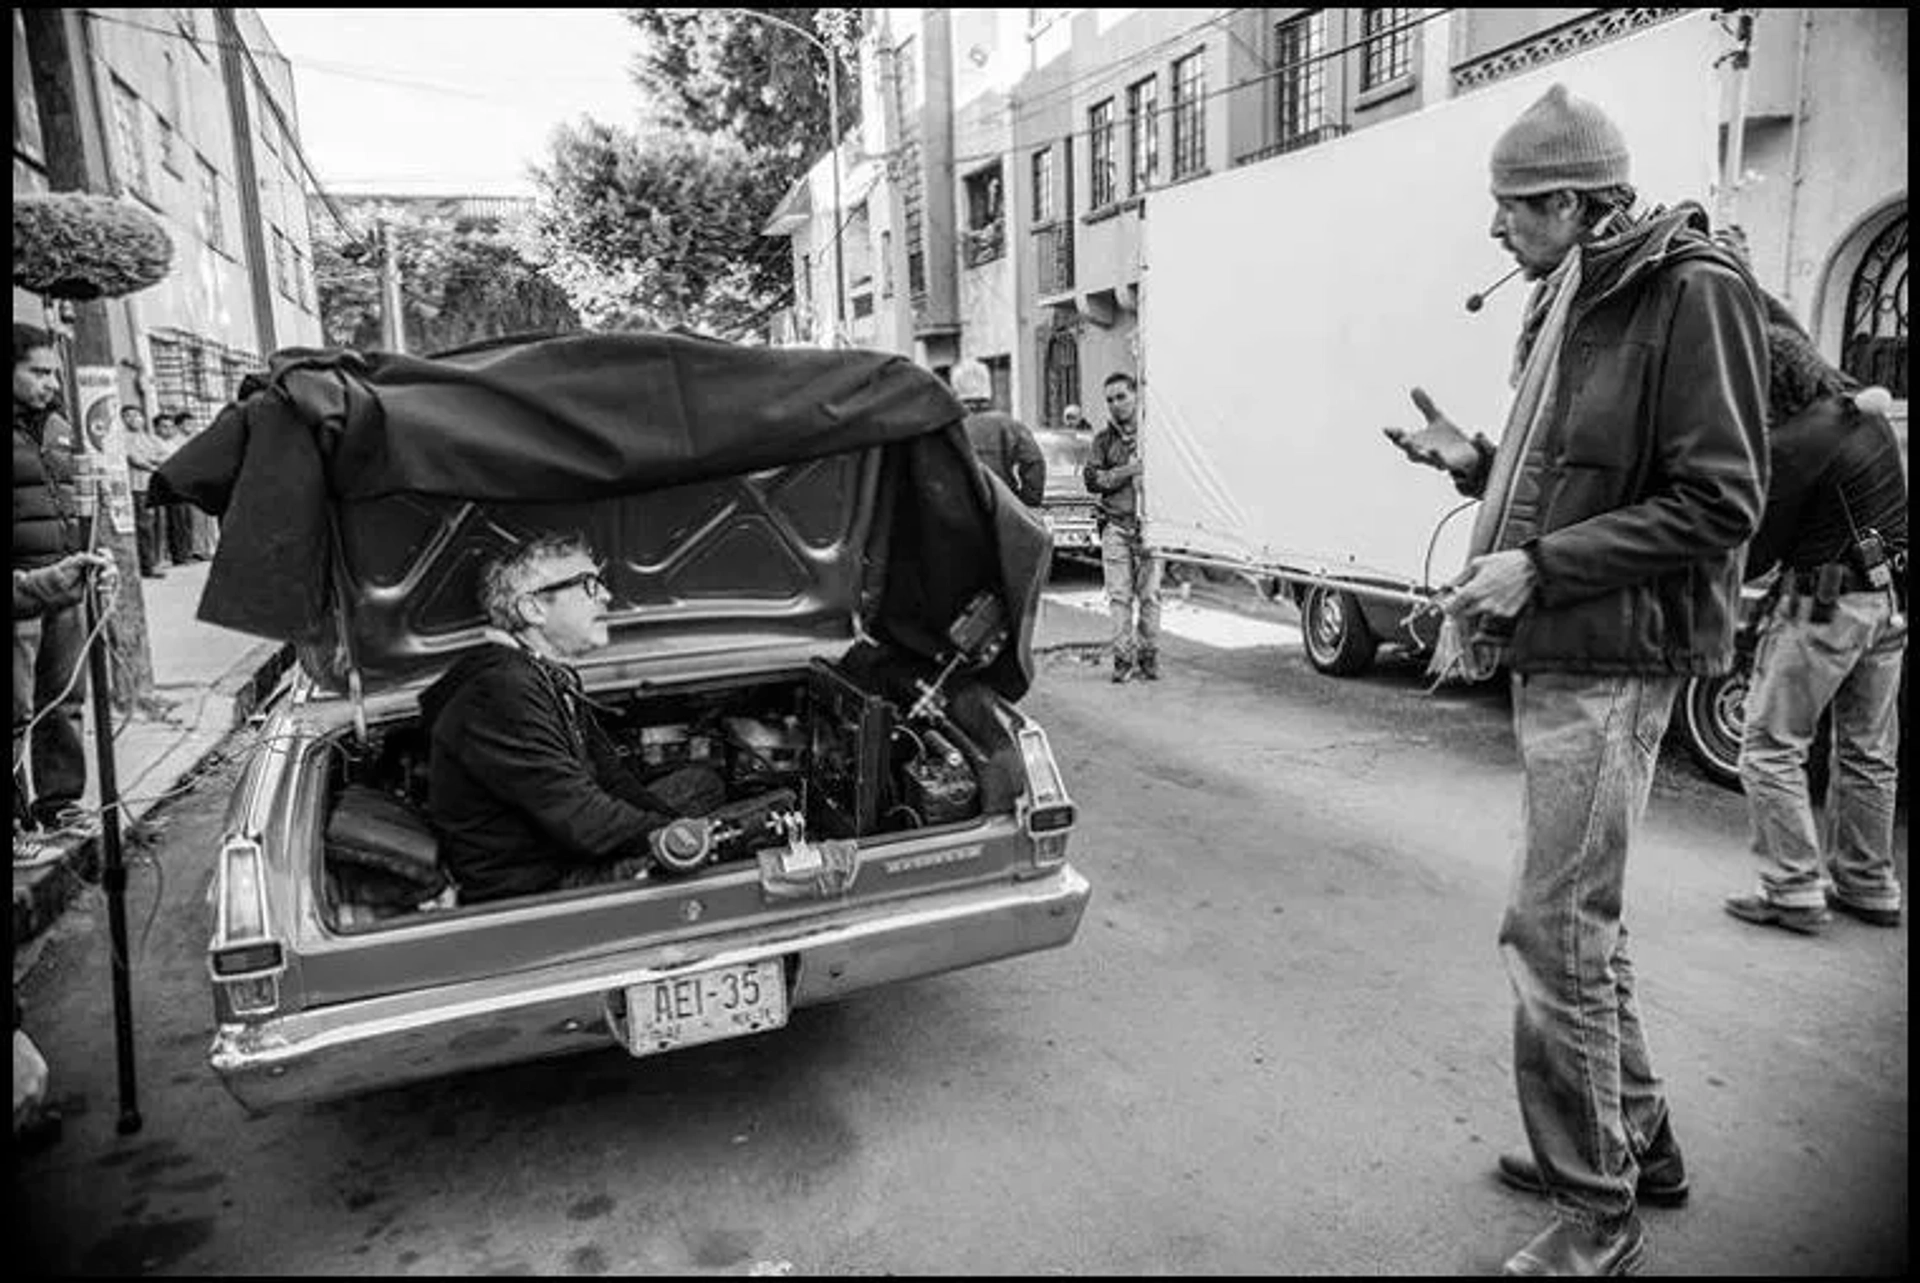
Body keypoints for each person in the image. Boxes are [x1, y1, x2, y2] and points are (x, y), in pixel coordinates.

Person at [1382, 84, 1768, 1277]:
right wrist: (1478, 466)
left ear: (1566, 202)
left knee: (1551, 928)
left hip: (1618, 654)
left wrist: (1535, 566)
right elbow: (1586, 480)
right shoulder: (1581, 299)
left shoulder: (1690, 290)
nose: (1496, 232)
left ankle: (1599, 1209)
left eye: (1510, 210)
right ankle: (1637, 1143)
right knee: (1579, 920)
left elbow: (1721, 500)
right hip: (1570, 642)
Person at [1722, 302, 1907, 935]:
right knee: (1868, 752)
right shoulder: (1860, 411)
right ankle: (1870, 883)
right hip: (1889, 604)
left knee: (1770, 747)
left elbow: (1757, 554)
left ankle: (1794, 887)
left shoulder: (1796, 444)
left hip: (1821, 608)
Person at [421, 533, 725, 904]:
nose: (607, 596)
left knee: (703, 784)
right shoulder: (498, 692)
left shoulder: (549, 674)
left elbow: (612, 777)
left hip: (563, 843)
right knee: (763, 822)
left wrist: (675, 826)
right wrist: (683, 838)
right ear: (533, 609)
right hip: (540, 884)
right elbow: (584, 821)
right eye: (588, 585)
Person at [12, 324, 96, 838]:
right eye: (37, 372)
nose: (49, 382)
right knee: (15, 712)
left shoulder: (61, 426)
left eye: (53, 372)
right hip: (19, 588)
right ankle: (18, 821)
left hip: (65, 585)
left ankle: (58, 803)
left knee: (63, 701)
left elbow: (74, 497)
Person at [1083, 371, 1162, 683]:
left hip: (1151, 529)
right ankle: (1122, 659)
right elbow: (1093, 481)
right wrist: (1129, 470)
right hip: (1116, 526)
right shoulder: (1103, 441)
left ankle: (1149, 656)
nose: (1115, 404)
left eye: (1121, 397)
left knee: (1151, 597)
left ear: (1135, 396)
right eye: (1110, 400)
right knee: (1119, 598)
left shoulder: (1154, 435)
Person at [952, 358, 1045, 508]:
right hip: (1002, 509)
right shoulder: (1009, 425)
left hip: (959, 509)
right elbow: (1034, 461)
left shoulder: (948, 427)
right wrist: (1026, 501)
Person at [120, 402, 166, 579]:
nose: (134, 419)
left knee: (158, 525)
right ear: (122, 420)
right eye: (128, 416)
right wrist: (153, 464)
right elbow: (134, 459)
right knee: (144, 527)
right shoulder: (123, 438)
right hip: (137, 487)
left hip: (153, 485)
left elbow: (165, 455)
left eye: (136, 415)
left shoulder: (150, 437)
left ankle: (157, 561)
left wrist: (151, 462)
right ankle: (148, 565)